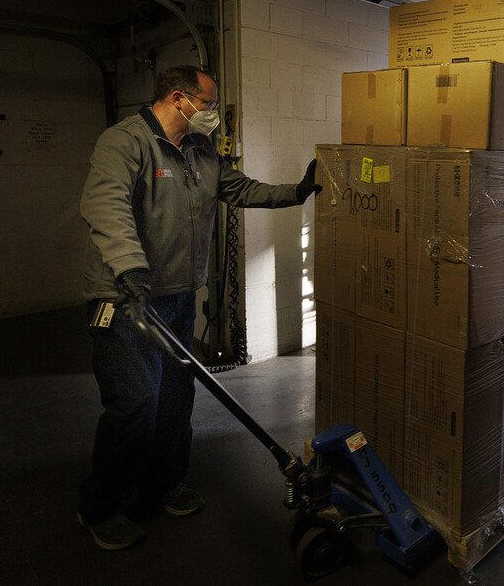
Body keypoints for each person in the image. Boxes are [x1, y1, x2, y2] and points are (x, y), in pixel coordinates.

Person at [77, 65, 321, 550]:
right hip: (126, 298)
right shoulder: (124, 142)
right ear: (178, 98)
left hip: (179, 297)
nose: (213, 114)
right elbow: (106, 204)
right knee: (134, 404)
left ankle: (162, 483)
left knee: (173, 398)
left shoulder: (201, 150)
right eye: (208, 104)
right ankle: (101, 506)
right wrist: (129, 270)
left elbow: (240, 190)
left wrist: (296, 192)